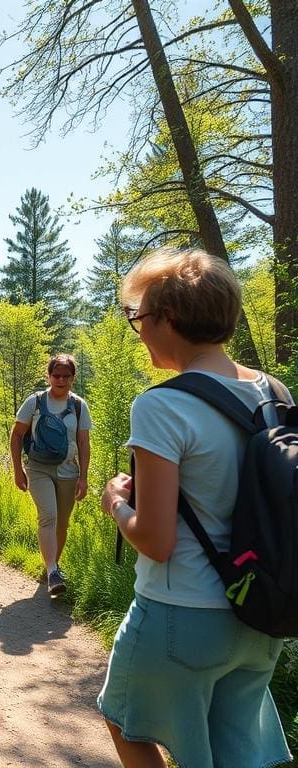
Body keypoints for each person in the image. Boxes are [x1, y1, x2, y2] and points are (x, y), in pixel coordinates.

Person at [98, 248, 292, 768]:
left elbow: (156, 540)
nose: (138, 329)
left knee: (124, 718)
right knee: (233, 755)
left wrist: (115, 504)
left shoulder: (162, 405)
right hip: (262, 614)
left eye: (138, 316)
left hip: (179, 611)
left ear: (168, 318)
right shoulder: (274, 393)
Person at [9, 353, 92, 596]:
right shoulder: (34, 402)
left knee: (62, 523)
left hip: (68, 470)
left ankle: (50, 568)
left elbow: (84, 442)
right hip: (38, 468)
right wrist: (17, 469)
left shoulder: (79, 406)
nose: (61, 380)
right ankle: (54, 571)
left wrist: (83, 477)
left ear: (73, 378)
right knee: (49, 516)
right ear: (48, 376)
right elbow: (16, 435)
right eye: (56, 375)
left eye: (66, 376)